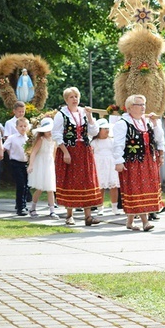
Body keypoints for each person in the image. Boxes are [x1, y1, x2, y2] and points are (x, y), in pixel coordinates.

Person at [113, 95, 164, 232]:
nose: (143, 107)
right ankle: (145, 222)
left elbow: (158, 138)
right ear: (130, 108)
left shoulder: (147, 122)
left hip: (148, 161)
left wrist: (155, 124)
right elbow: (117, 144)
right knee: (137, 190)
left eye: (144, 104)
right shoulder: (122, 123)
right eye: (139, 105)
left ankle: (129, 222)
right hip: (133, 162)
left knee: (144, 189)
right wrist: (118, 161)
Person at [52, 87, 102, 227]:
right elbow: (56, 134)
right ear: (66, 100)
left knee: (87, 180)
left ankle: (88, 217)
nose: (74, 99)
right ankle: (69, 215)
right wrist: (65, 152)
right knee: (71, 181)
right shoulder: (61, 114)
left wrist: (91, 117)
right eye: (71, 97)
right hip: (69, 150)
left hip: (84, 151)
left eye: (76, 96)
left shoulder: (84, 113)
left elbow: (94, 131)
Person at [26, 117, 58, 218]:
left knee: (50, 188)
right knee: (40, 188)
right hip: (40, 163)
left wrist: (54, 164)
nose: (49, 132)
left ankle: (52, 210)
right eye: (47, 130)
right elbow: (34, 152)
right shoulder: (41, 139)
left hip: (49, 164)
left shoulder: (54, 140)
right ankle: (33, 208)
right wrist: (31, 165)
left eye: (50, 130)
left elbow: (53, 153)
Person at [91, 119, 121, 215]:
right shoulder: (94, 142)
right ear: (99, 130)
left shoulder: (112, 141)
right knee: (101, 186)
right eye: (104, 129)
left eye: (108, 128)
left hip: (111, 165)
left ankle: (114, 208)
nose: (107, 131)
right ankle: (100, 208)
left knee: (114, 186)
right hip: (99, 165)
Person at [3, 116, 30, 216]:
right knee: (20, 184)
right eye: (21, 126)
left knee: (26, 185)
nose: (23, 128)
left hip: (26, 163)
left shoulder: (29, 138)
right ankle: (20, 207)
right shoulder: (12, 138)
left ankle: (23, 204)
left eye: (25, 126)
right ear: (17, 127)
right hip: (16, 163)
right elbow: (4, 148)